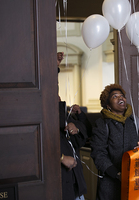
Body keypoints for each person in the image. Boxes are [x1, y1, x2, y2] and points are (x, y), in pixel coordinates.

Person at [90, 84, 139, 200]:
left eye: (122, 96)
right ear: (108, 105)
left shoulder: (137, 122)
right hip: (112, 183)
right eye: (115, 96)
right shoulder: (102, 124)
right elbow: (98, 154)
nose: (121, 98)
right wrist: (117, 174)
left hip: (138, 183)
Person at [57, 52, 88, 200]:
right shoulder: (41, 115)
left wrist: (76, 129)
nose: (56, 91)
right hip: (58, 184)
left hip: (76, 183)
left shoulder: (63, 113)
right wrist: (61, 157)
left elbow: (84, 134)